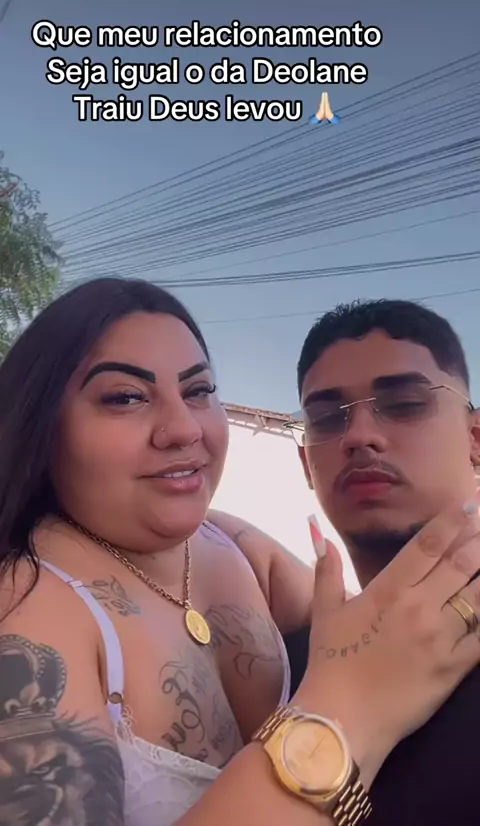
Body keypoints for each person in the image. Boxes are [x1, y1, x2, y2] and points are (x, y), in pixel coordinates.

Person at [0, 279, 480, 826]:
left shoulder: (233, 548)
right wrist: (346, 713)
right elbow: (364, 673)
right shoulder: (27, 605)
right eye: (126, 397)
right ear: (41, 424)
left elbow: (383, 629)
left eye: (199, 390)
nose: (184, 429)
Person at [278, 299, 480, 825]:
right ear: (306, 465)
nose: (358, 435)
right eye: (327, 418)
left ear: (475, 439)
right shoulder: (285, 672)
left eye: (405, 404)